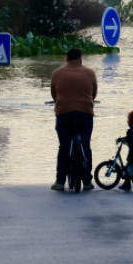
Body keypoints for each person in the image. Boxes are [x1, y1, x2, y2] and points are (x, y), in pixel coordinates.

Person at [50, 48, 97, 191]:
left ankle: (59, 182)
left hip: (64, 114)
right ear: (81, 60)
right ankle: (87, 182)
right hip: (85, 114)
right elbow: (93, 94)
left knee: (64, 146)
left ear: (66, 60)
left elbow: (54, 94)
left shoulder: (56, 73)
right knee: (85, 145)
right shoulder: (90, 73)